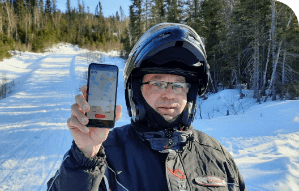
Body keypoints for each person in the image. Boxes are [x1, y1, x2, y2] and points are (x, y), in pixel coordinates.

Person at [47, 23, 246, 191]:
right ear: (136, 91)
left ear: (190, 93)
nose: (169, 94)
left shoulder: (216, 156)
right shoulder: (105, 155)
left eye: (178, 85)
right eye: (157, 83)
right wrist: (84, 159)